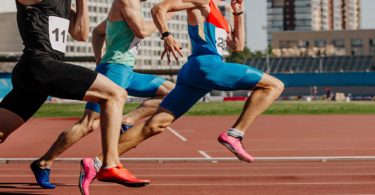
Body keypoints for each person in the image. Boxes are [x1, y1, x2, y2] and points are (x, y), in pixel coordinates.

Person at [79, 0, 284, 193]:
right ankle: (235, 134)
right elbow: (159, 8)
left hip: (195, 73)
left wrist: (238, 12)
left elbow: (237, 45)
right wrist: (166, 35)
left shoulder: (218, 12)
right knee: (274, 85)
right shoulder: (201, 1)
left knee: (155, 125)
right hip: (208, 66)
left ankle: (97, 162)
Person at [29, 0, 175, 193]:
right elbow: (142, 31)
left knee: (173, 92)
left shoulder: (131, 6)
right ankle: (44, 162)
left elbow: (98, 32)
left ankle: (128, 120)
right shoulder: (126, 1)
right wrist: (167, 14)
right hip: (114, 70)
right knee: (88, 124)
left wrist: (99, 61)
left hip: (126, 72)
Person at [0, 0, 145, 190]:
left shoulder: (66, 5)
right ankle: (110, 164)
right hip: (39, 64)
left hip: (40, 74)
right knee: (115, 94)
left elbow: (80, 34)